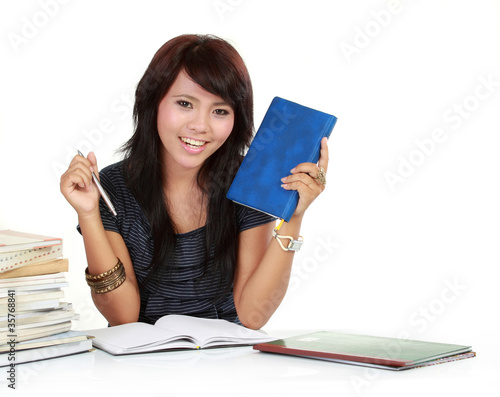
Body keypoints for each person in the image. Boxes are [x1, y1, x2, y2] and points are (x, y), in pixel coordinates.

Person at [60, 34, 328, 330]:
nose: (200, 125)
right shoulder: (113, 186)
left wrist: (294, 214)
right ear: (154, 103)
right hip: (140, 366)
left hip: (227, 362)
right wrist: (88, 214)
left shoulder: (247, 180)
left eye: (220, 111)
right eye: (185, 103)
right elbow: (122, 316)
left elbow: (253, 315)